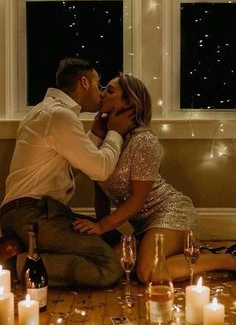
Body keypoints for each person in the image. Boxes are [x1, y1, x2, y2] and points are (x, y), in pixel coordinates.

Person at [73, 73, 236, 282]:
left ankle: (228, 259)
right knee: (115, 264)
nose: (103, 94)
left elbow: (137, 200)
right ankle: (192, 255)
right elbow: (101, 195)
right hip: (144, 227)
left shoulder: (144, 141)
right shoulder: (104, 139)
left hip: (171, 213)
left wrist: (102, 225)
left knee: (148, 272)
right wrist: (101, 232)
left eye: (110, 91)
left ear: (129, 102)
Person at [0, 58, 135, 287]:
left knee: (117, 241)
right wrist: (116, 133)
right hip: (33, 215)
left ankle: (24, 246)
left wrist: (96, 134)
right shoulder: (59, 116)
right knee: (110, 266)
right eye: (98, 85)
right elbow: (100, 170)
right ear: (84, 82)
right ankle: (20, 264)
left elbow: (70, 166)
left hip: (29, 212)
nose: (101, 93)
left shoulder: (44, 112)